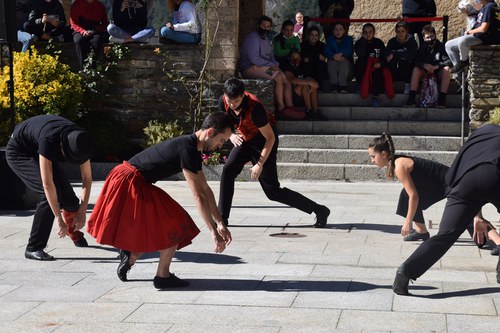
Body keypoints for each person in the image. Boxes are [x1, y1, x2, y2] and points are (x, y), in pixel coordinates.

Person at [87, 112, 233, 289]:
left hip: (134, 180)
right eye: (222, 140)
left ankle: (134, 256)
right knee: (174, 222)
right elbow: (198, 195)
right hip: (128, 180)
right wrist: (213, 232)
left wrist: (220, 223)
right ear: (210, 132)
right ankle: (158, 273)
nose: (220, 145)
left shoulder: (193, 149)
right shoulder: (187, 148)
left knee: (171, 223)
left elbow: (205, 189)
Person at [393, 124, 500, 295]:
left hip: (464, 183)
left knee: (445, 235)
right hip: (495, 175)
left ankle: (406, 271)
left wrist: (477, 215)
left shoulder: (482, 132)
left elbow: (462, 160)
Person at [217, 78, 331, 228]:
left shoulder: (255, 108)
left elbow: (270, 138)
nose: (232, 104)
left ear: (243, 96)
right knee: (228, 170)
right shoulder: (223, 101)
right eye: (229, 100)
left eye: (236, 101)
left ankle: (320, 210)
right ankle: (222, 219)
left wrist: (259, 164)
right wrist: (231, 135)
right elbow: (225, 122)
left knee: (272, 192)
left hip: (263, 141)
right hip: (245, 138)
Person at [368, 132, 500, 248]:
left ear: (384, 154)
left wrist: (408, 222)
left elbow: (414, 196)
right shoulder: (396, 163)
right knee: (405, 196)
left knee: (470, 220)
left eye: (373, 156)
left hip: (454, 184)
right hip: (438, 186)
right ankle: (421, 231)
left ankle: (498, 241)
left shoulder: (399, 166)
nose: (372, 161)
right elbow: (411, 194)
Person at [5, 115, 94, 261]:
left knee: (70, 200)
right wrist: (58, 218)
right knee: (48, 196)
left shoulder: (80, 139)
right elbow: (47, 185)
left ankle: (73, 231)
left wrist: (82, 211)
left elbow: (87, 178)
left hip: (40, 146)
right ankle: (34, 247)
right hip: (20, 153)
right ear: (62, 148)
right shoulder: (49, 139)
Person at [239, 15, 298, 116]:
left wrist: (275, 64)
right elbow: (255, 59)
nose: (265, 28)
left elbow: (271, 56)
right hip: (250, 68)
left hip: (264, 67)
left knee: (286, 80)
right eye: (263, 25)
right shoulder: (253, 38)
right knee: (277, 76)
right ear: (258, 26)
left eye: (268, 26)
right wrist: (272, 65)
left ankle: (290, 107)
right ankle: (281, 107)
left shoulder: (266, 39)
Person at [446, 0, 500, 75]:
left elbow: (483, 29)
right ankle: (460, 73)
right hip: (478, 35)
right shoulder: (484, 7)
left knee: (463, 40)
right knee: (449, 45)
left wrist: (469, 32)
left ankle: (463, 61)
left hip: (485, 37)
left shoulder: (490, 7)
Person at [405, 25, 451, 108]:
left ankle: (442, 100)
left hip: (437, 73)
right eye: (427, 37)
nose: (430, 39)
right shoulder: (422, 47)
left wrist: (437, 66)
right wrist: (424, 65)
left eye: (432, 36)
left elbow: (448, 61)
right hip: (425, 73)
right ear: (423, 38)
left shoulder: (441, 46)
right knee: (416, 69)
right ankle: (411, 98)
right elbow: (416, 61)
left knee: (446, 69)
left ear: (435, 35)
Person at [354, 23, 394, 107]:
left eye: (370, 32)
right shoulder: (359, 42)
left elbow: (384, 57)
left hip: (376, 66)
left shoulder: (379, 43)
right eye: (365, 32)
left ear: (374, 32)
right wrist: (363, 41)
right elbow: (360, 54)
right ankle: (359, 84)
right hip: (365, 66)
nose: (368, 34)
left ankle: (375, 98)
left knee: (378, 73)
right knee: (359, 63)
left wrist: (380, 64)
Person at [281, 48, 325, 120]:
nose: (295, 59)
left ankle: (315, 110)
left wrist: (312, 82)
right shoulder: (287, 66)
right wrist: (309, 82)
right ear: (289, 58)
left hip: (305, 93)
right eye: (293, 57)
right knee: (306, 84)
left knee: (310, 84)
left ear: (300, 58)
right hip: (293, 95)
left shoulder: (303, 65)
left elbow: (308, 77)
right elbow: (292, 80)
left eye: (297, 57)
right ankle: (308, 110)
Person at [70, 0, 109, 69]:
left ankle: (92, 68)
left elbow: (105, 22)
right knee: (79, 40)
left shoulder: (100, 5)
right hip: (80, 28)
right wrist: (82, 31)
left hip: (95, 29)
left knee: (97, 41)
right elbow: (73, 22)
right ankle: (83, 68)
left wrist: (96, 30)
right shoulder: (76, 4)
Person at [385, 21, 418, 94]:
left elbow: (411, 55)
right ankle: (391, 84)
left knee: (405, 60)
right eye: (398, 31)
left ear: (407, 31)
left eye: (403, 31)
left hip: (408, 68)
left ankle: (407, 85)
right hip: (396, 68)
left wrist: (395, 54)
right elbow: (387, 54)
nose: (400, 34)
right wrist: (400, 55)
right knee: (391, 60)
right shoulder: (392, 41)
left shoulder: (412, 42)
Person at [324, 22, 353, 93]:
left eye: (340, 29)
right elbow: (326, 51)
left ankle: (343, 86)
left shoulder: (349, 39)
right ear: (333, 31)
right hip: (333, 60)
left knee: (344, 62)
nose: (338, 32)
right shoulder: (330, 39)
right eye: (336, 29)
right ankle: (334, 85)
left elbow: (350, 50)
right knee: (331, 62)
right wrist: (333, 56)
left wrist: (340, 54)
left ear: (344, 31)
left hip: (345, 61)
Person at [300, 26, 329, 91]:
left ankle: (320, 86)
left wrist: (311, 58)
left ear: (318, 36)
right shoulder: (303, 45)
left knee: (321, 64)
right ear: (308, 36)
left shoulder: (321, 45)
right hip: (307, 69)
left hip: (318, 68)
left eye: (316, 35)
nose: (314, 37)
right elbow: (305, 59)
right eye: (312, 35)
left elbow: (323, 58)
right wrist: (316, 57)